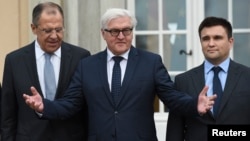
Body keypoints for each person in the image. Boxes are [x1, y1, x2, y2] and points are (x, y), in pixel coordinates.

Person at [23, 8, 216, 141]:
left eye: (126, 30)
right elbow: (70, 104)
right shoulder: (87, 66)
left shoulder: (151, 62)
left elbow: (171, 97)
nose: (121, 36)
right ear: (103, 33)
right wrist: (43, 107)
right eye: (114, 31)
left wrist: (194, 104)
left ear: (132, 32)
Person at [1, 2, 90, 141]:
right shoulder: (14, 60)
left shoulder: (81, 57)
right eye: (47, 31)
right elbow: (7, 113)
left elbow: (86, 108)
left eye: (59, 29)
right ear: (34, 28)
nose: (54, 36)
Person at [166, 16, 250, 141]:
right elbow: (174, 131)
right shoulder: (183, 81)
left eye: (217, 38)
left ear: (230, 42)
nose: (211, 43)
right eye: (205, 39)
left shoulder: (247, 76)